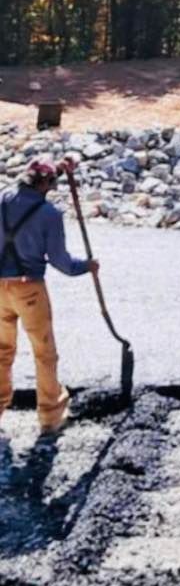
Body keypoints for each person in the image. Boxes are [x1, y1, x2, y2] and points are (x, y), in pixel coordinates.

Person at [0, 158, 98, 436]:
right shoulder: (49, 214)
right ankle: (49, 416)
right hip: (29, 289)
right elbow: (60, 261)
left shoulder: (3, 199)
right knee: (44, 353)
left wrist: (59, 168)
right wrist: (86, 266)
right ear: (46, 184)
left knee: (1, 352)